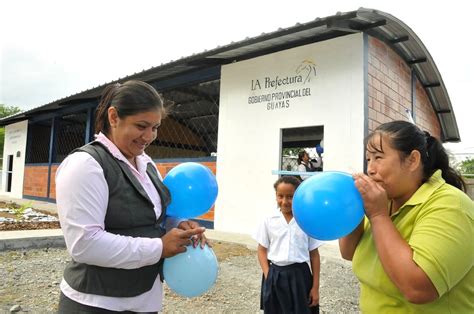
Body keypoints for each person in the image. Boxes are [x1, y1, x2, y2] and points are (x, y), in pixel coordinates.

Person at [55, 80, 208, 313]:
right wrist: (159, 247)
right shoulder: (85, 165)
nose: (149, 136)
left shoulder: (147, 164)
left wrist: (178, 226)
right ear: (114, 117)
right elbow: (84, 244)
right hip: (97, 303)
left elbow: (152, 218)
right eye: (141, 126)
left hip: (145, 299)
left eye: (155, 127)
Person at [339, 120, 474, 313]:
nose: (370, 169)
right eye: (368, 159)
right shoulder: (384, 200)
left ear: (412, 160)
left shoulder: (451, 205)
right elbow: (349, 252)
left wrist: (378, 216)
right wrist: (355, 209)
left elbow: (418, 289)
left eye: (378, 157)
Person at [254, 176, 323, 313]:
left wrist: (315, 287)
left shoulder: (306, 221)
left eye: (290, 197)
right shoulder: (269, 220)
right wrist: (269, 275)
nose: (284, 201)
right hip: (275, 274)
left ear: (298, 196)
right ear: (276, 196)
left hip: (300, 276)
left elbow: (314, 255)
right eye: (280, 196)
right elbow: (262, 250)